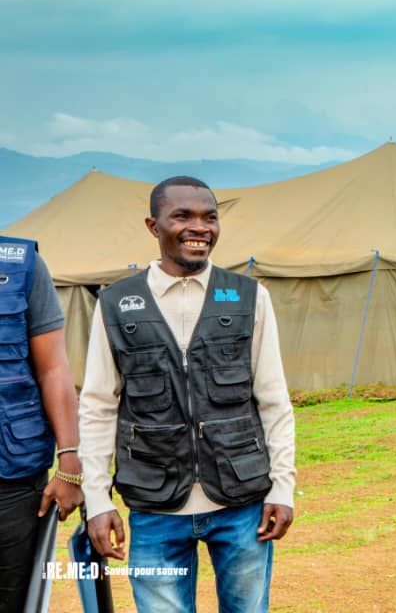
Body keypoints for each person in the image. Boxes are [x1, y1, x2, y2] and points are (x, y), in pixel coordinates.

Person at [79, 175, 297, 613]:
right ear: (153, 225)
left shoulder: (249, 298)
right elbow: (98, 407)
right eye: (183, 216)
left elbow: (274, 400)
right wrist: (97, 500)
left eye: (210, 217)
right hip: (156, 508)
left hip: (240, 503)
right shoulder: (117, 304)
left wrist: (283, 489)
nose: (200, 228)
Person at [0, 236, 83, 612]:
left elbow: (53, 369)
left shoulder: (19, 263)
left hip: (12, 475)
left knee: (13, 598)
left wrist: (69, 461)